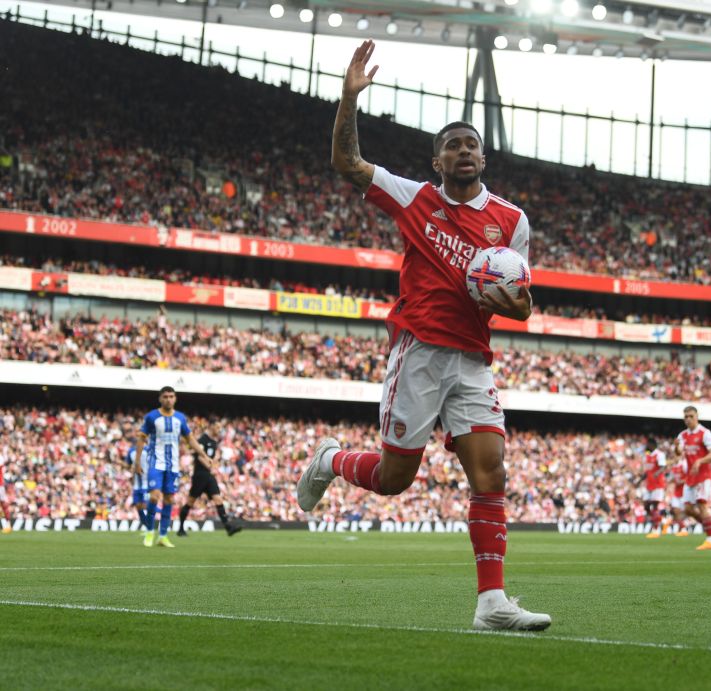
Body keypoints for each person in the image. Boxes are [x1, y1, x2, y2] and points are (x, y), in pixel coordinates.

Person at [297, 40, 550, 631]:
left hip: (473, 361)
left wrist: (505, 296)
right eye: (451, 145)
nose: (464, 151)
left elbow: (523, 307)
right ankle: (331, 460)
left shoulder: (511, 223)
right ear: (437, 161)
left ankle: (492, 603)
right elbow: (347, 164)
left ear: (483, 159)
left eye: (472, 144)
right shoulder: (415, 199)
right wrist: (348, 101)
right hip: (419, 352)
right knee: (394, 480)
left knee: (492, 475)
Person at [136, 386, 213, 548]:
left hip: (173, 466)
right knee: (155, 496)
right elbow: (141, 439)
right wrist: (137, 462)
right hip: (155, 463)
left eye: (171, 396)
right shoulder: (152, 417)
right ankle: (150, 531)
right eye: (165, 396)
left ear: (175, 398)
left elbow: (190, 439)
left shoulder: (180, 418)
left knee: (169, 499)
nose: (168, 399)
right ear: (160, 399)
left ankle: (163, 536)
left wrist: (204, 455)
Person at [177, 421, 242, 537]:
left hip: (208, 475)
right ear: (211, 427)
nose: (218, 429)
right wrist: (209, 464)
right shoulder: (203, 439)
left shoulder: (214, 442)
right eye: (217, 427)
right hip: (200, 474)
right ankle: (181, 528)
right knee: (190, 502)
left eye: (219, 427)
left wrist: (212, 465)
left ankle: (228, 527)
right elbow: (198, 455)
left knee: (218, 499)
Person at [677, 406, 711, 551]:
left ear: (697, 417)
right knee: (688, 509)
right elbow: (678, 452)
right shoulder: (682, 436)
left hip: (703, 475)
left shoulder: (705, 433)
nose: (688, 419)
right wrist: (675, 448)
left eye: (691, 416)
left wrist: (700, 461)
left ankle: (710, 539)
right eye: (686, 417)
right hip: (690, 477)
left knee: (702, 505)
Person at [121, 438, 149, 529]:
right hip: (137, 484)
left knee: (146, 505)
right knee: (138, 506)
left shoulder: (148, 449)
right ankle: (147, 526)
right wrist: (120, 462)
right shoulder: (131, 451)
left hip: (147, 483)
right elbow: (127, 465)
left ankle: (151, 526)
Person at [643, 438, 668, 539]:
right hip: (649, 485)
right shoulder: (648, 456)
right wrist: (639, 480)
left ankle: (656, 530)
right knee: (646, 505)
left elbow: (663, 467)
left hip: (658, 485)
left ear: (651, 444)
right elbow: (647, 471)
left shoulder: (659, 454)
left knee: (655, 506)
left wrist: (657, 473)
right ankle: (662, 521)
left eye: (648, 444)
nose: (646, 446)